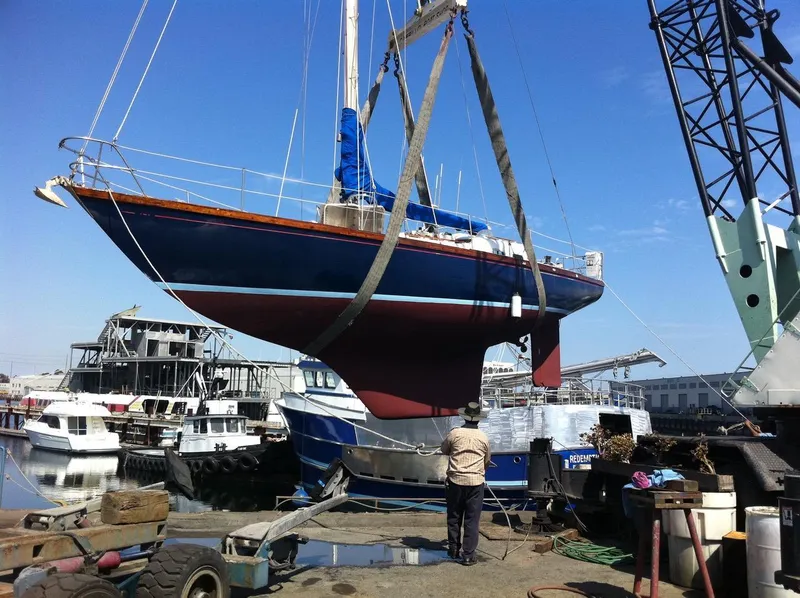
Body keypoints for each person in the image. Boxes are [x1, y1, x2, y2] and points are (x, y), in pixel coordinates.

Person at [439, 401, 491, 565]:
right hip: (475, 482)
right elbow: (487, 461)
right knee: (472, 519)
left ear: (465, 417)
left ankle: (453, 549)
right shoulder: (484, 438)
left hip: (456, 480)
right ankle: (468, 555)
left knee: (454, 517)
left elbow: (444, 450)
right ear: (478, 419)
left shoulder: (455, 434)